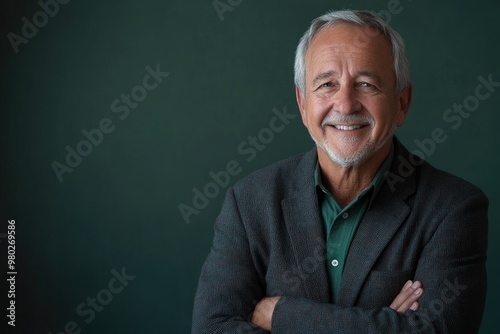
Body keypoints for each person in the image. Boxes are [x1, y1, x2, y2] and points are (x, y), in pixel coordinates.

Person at [192, 9, 488, 334]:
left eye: (366, 84)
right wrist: (386, 325)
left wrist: (279, 315)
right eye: (327, 84)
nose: (345, 105)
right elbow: (212, 328)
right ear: (303, 105)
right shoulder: (248, 203)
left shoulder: (453, 209)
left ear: (402, 103)